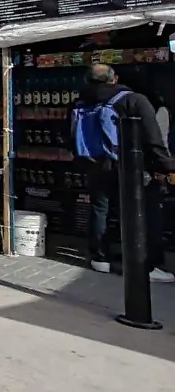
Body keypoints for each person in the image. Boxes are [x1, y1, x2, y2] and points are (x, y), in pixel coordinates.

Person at [72, 65, 175, 283]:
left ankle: (100, 259)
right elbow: (152, 137)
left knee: (100, 209)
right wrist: (166, 166)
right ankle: (149, 265)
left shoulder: (81, 102)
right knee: (145, 214)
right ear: (114, 78)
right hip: (131, 166)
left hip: (95, 163)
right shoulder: (133, 100)